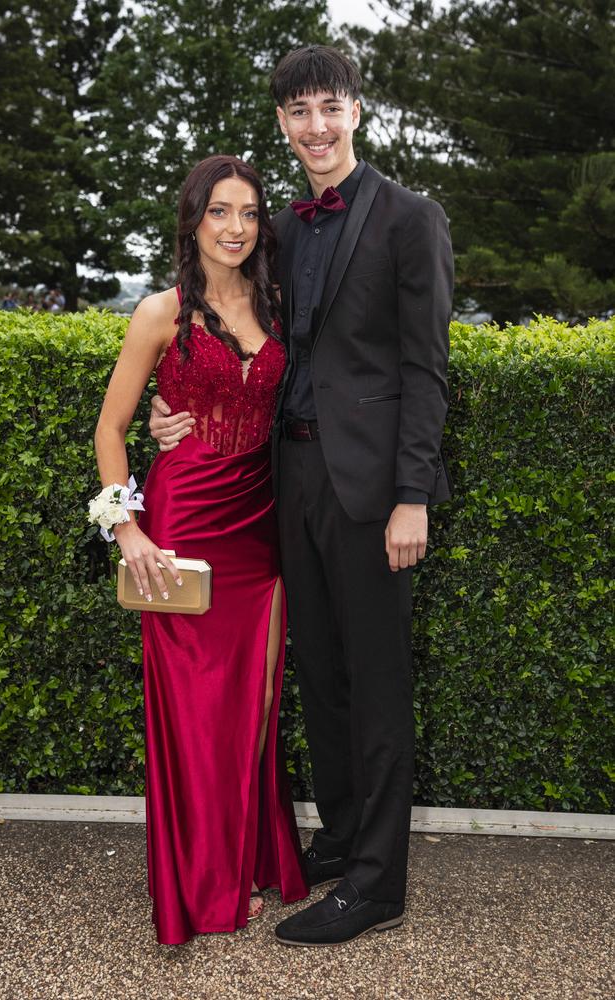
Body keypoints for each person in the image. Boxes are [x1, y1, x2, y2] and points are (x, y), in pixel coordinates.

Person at [149, 45, 454, 947]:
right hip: (286, 478)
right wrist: (174, 414)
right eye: (297, 113)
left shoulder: (410, 217)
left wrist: (413, 494)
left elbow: (425, 370)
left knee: (377, 680)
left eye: (329, 108)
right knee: (319, 673)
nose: (314, 127)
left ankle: (378, 884)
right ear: (282, 124)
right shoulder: (278, 228)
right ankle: (347, 836)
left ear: (356, 111)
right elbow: (231, 341)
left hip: (371, 493)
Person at [92, 154, 308, 947]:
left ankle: (251, 861)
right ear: (193, 219)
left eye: (249, 214)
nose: (235, 228)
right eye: (220, 212)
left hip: (262, 528)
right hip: (181, 524)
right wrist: (127, 528)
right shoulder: (160, 312)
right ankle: (202, 884)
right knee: (194, 714)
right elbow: (109, 429)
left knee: (253, 704)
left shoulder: (280, 304)